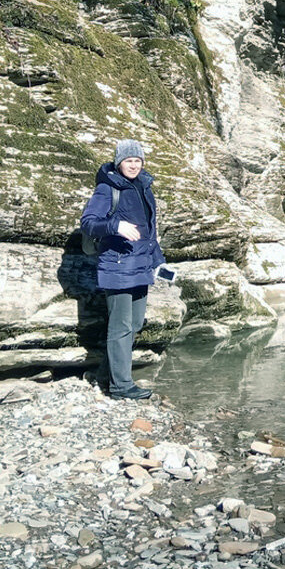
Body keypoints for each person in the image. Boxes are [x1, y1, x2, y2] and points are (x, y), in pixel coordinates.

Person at [81, 140, 165, 400]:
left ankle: (106, 374)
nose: (134, 165)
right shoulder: (108, 188)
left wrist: (160, 263)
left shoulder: (144, 187)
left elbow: (149, 233)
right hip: (117, 267)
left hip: (141, 266)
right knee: (121, 327)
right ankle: (120, 386)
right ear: (119, 163)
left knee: (136, 323)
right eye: (129, 160)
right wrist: (115, 226)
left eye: (138, 160)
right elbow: (88, 222)